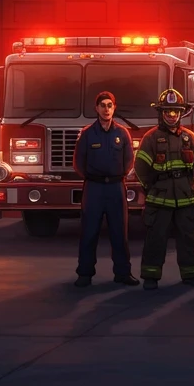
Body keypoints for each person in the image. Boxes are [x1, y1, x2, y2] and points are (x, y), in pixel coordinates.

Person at [133, 88, 194, 289]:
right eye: (168, 111)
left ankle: (192, 275)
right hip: (159, 199)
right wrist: (151, 188)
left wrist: (188, 184)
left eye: (176, 111)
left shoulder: (190, 138)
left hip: (186, 198)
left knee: (188, 238)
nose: (172, 115)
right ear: (161, 113)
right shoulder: (150, 138)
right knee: (156, 239)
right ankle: (150, 277)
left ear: (181, 113)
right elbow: (140, 167)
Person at [73, 90, 138, 287]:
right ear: (97, 109)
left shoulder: (122, 133)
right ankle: (84, 274)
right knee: (89, 232)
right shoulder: (86, 134)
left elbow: (129, 160)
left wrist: (118, 176)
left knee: (119, 233)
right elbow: (78, 162)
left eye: (110, 105)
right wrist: (93, 178)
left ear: (114, 108)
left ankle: (123, 273)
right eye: (103, 105)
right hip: (93, 188)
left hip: (116, 188)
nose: (106, 109)